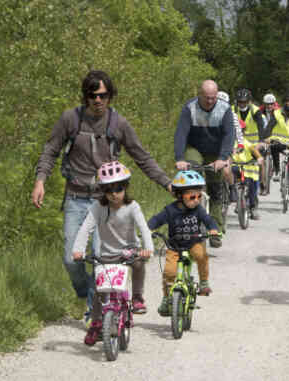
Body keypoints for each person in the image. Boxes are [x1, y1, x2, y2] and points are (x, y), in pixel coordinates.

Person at [32, 70, 171, 325]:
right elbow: (50, 150)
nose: (98, 100)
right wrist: (40, 180)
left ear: (110, 96)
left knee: (100, 259)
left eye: (103, 95)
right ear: (85, 96)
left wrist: (167, 183)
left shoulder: (119, 124)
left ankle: (94, 311)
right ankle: (86, 293)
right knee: (70, 259)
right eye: (92, 95)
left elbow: (142, 157)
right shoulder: (70, 119)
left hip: (106, 202)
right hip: (75, 198)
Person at [72, 161, 153, 345]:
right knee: (101, 290)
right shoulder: (98, 208)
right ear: (103, 191)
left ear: (125, 187)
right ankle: (97, 323)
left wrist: (148, 248)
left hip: (129, 251)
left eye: (118, 189)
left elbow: (144, 228)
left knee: (139, 263)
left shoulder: (132, 207)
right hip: (107, 253)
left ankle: (138, 297)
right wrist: (78, 250)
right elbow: (86, 229)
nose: (114, 194)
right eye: (109, 190)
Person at [148, 170, 220, 317]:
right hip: (174, 246)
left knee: (201, 255)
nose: (196, 200)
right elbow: (157, 219)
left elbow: (208, 220)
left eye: (199, 196)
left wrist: (213, 229)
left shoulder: (198, 210)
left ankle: (204, 282)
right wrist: (147, 229)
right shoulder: (170, 210)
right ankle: (167, 298)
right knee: (169, 272)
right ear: (180, 195)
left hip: (194, 243)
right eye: (192, 196)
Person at [174, 80, 235, 247]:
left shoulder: (224, 109)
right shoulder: (189, 108)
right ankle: (189, 223)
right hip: (196, 148)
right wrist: (179, 158)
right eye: (207, 98)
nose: (210, 101)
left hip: (216, 152)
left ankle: (215, 229)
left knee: (215, 190)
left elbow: (229, 135)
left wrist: (223, 158)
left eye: (213, 98)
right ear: (199, 94)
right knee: (192, 179)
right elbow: (181, 133)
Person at [231, 138, 264, 219]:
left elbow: (255, 152)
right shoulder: (230, 142)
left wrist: (259, 158)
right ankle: (237, 200)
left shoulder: (246, 143)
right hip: (236, 169)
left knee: (252, 190)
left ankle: (253, 208)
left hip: (250, 172)